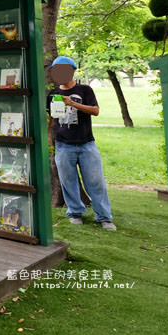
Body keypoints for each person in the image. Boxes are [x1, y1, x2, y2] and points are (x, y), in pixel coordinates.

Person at [46, 56, 116, 230]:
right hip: (62, 144)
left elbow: (96, 111)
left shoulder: (85, 90)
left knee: (95, 181)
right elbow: (49, 117)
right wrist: (48, 136)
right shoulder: (52, 94)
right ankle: (75, 213)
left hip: (86, 144)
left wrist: (73, 104)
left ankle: (104, 217)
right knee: (68, 181)